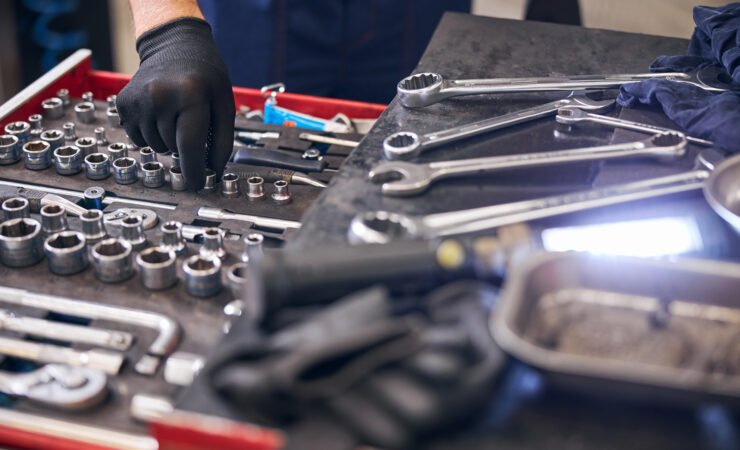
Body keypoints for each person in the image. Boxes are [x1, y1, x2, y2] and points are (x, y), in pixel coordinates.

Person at [118, 0, 469, 190]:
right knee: (233, 144)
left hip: (414, 12)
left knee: (420, 162)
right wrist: (166, 26)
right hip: (258, 15)